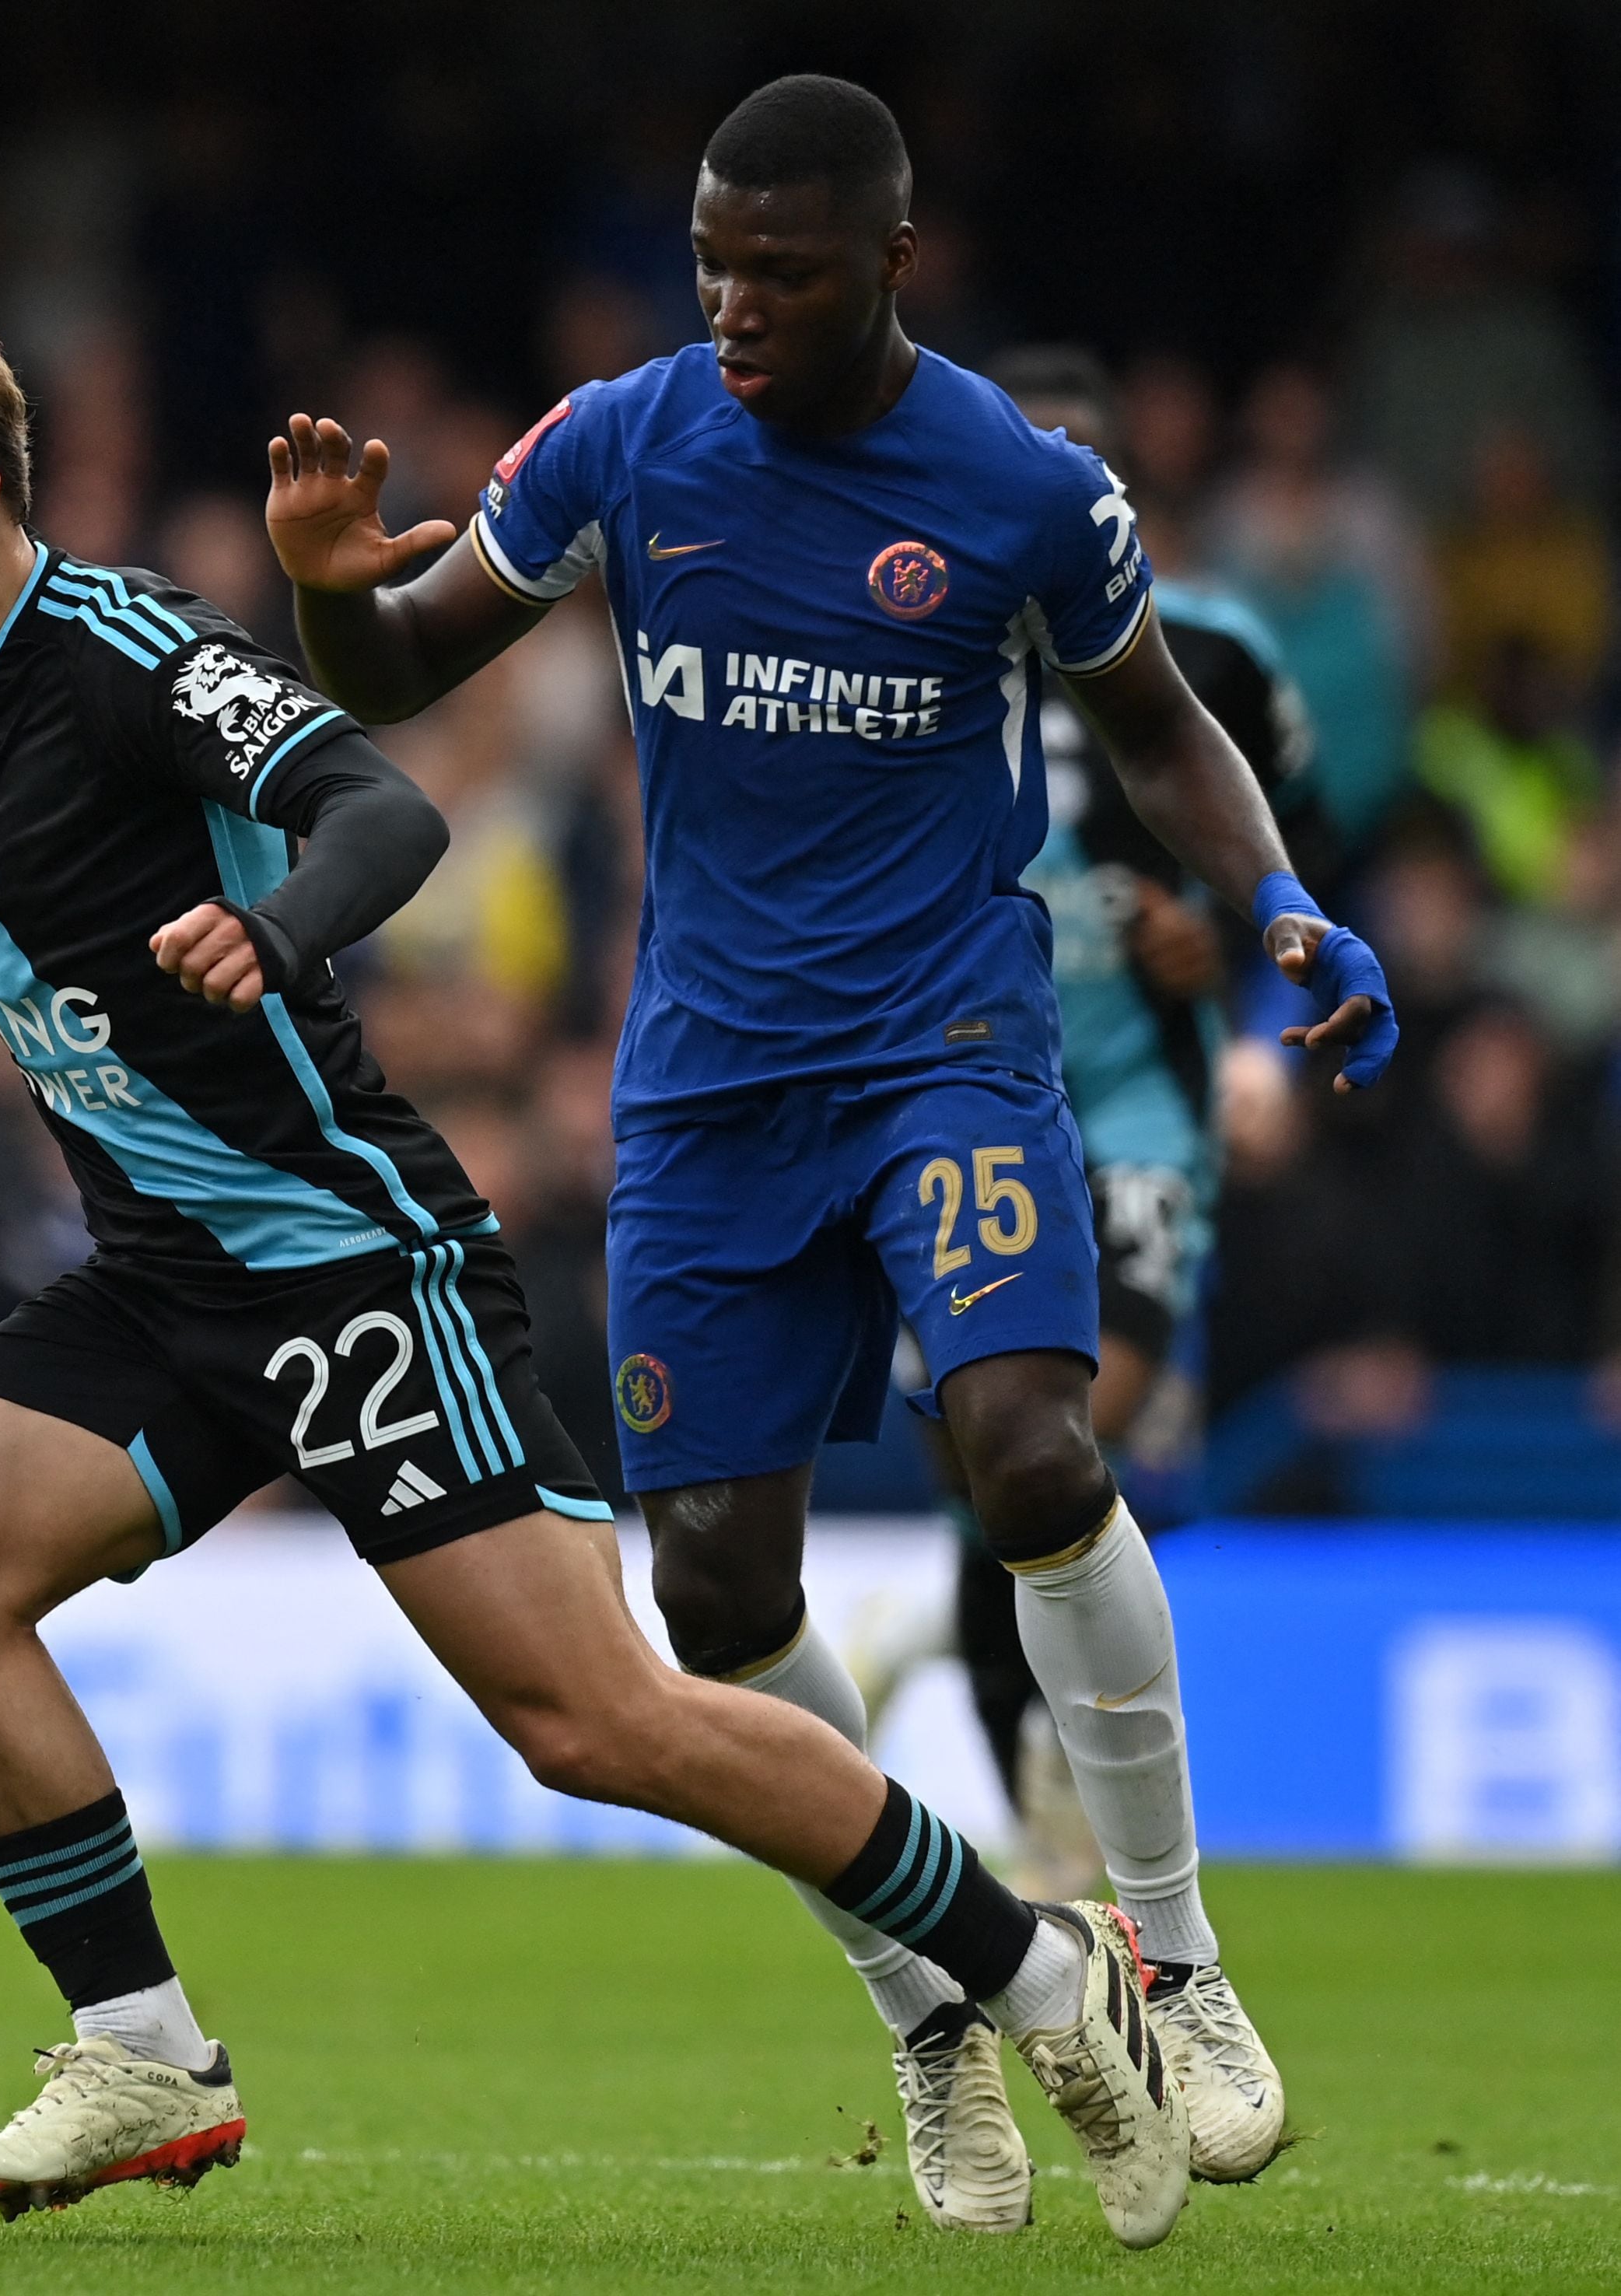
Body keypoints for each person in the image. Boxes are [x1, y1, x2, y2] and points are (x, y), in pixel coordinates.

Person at [0, 310, 1199, 2245]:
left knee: (596, 1721)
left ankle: (1042, 1968)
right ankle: (142, 2052)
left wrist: (277, 928)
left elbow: (387, 807)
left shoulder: (123, 653)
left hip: (351, 1258)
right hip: (158, 1275)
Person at [267, 76, 1395, 2242]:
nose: (734, 305)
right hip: (703, 1090)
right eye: (710, 262)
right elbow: (399, 663)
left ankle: (1168, 1944)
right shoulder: (621, 438)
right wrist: (324, 594)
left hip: (944, 1047)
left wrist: (1272, 907)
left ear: (893, 263)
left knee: (1032, 1453)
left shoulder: (1011, 484)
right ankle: (929, 2001)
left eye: (779, 271)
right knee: (710, 1593)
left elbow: (1162, 724)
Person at [861, 348, 1313, 1903]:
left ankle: (1010, 1727)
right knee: (991, 1468)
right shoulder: (908, 640)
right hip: (954, 1083)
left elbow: (1291, 845)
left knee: (1061, 1434)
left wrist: (1238, 963)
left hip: (1132, 1099)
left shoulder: (1221, 655)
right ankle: (1038, 1824)